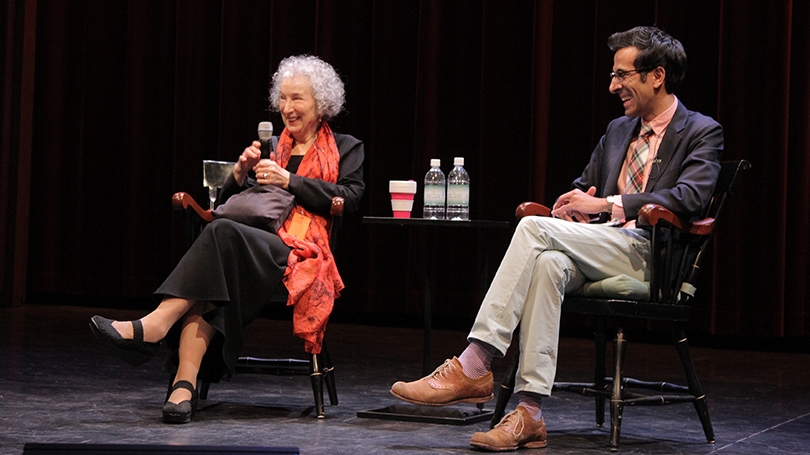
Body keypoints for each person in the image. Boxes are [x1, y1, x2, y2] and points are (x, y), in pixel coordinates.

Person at [390, 26, 723, 451]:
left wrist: (610, 205)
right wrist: (577, 203)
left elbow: (691, 198)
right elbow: (586, 186)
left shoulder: (700, 131)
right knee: (547, 262)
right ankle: (529, 413)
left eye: (622, 75)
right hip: (597, 245)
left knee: (532, 228)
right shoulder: (619, 131)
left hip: (650, 255)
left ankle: (475, 363)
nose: (612, 85)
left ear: (656, 75)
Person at [90, 55, 365, 424]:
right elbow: (242, 205)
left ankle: (158, 326)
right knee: (218, 253)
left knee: (219, 236)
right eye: (282, 98)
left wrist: (290, 181)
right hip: (248, 244)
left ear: (321, 103)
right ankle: (183, 387)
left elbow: (350, 198)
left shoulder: (346, 146)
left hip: (297, 251)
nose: (287, 108)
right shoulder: (273, 148)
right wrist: (238, 173)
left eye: (297, 99)